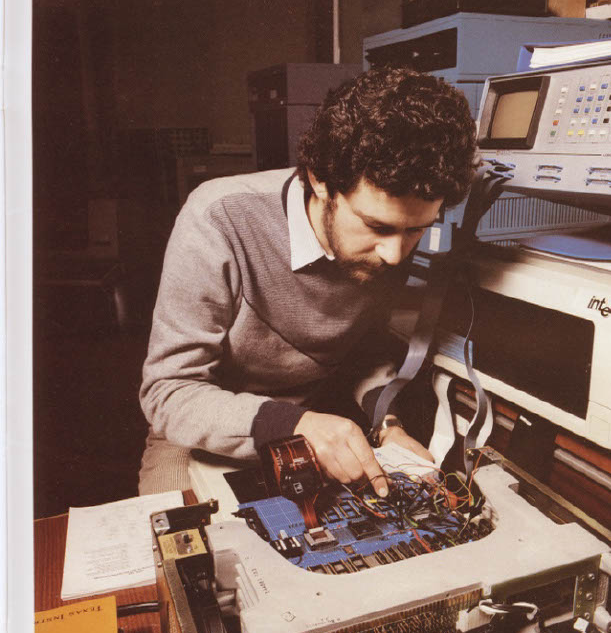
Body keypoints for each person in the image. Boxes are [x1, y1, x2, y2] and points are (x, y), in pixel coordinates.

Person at [138, 66, 476, 496]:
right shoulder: (218, 218)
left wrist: (387, 424)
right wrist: (292, 424)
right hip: (202, 427)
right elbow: (168, 392)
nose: (394, 254)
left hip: (320, 422)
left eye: (416, 230)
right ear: (320, 181)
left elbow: (366, 354)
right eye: (377, 226)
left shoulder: (389, 243)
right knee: (175, 530)